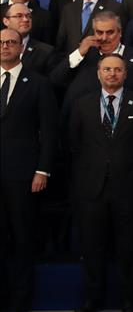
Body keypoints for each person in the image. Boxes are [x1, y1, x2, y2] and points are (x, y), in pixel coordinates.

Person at [68, 54, 133, 312]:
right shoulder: (81, 104)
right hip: (92, 189)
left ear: (125, 74)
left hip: (128, 189)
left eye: (117, 70)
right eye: (107, 69)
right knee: (92, 248)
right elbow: (73, 145)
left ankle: (129, 301)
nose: (112, 74)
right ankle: (92, 300)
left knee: (129, 249)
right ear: (98, 73)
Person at [0, 28, 57, 312]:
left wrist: (42, 170)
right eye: (1, 42)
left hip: (22, 175)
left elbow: (49, 130)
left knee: (23, 240)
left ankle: (20, 302)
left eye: (11, 42)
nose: (5, 46)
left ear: (21, 47)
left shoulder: (38, 82)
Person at [55, 0, 125, 54]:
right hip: (73, 61)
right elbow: (61, 42)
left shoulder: (115, 8)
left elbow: (121, 40)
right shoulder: (68, 9)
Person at [3, 3, 54, 75]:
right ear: (6, 21)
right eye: (19, 16)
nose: (26, 19)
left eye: (28, 16)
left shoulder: (46, 52)